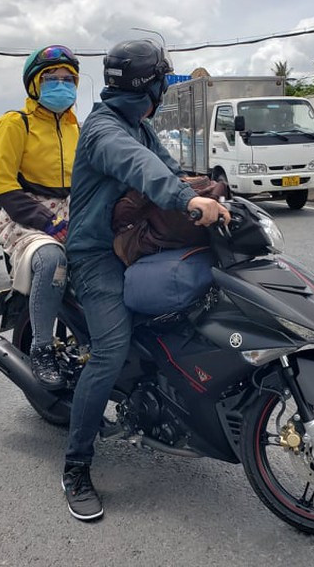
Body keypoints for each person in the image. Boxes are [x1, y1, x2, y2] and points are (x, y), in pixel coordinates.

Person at [63, 39, 229, 521]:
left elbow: (169, 169)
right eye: (160, 80)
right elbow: (141, 168)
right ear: (150, 85)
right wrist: (184, 199)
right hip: (96, 254)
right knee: (111, 348)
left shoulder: (138, 126)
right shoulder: (103, 130)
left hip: (135, 242)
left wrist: (208, 194)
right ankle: (76, 466)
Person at [0, 45, 79, 389]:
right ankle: (41, 347)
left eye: (68, 79)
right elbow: (3, 185)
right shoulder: (14, 124)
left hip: (69, 210)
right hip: (22, 213)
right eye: (51, 78)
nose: (61, 85)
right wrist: (50, 224)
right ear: (34, 85)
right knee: (52, 259)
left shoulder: (76, 128)